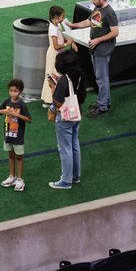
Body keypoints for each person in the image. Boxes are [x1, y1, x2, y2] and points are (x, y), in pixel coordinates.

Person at [46, 61, 84, 190]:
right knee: (75, 145)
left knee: (65, 148)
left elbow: (56, 101)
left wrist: (52, 87)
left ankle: (66, 181)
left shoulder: (63, 79)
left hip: (65, 117)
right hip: (77, 113)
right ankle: (75, 176)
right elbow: (82, 96)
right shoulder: (78, 75)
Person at [82, 0, 118, 115]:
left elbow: (115, 32)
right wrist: (73, 25)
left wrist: (98, 40)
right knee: (101, 78)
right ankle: (104, 102)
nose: (92, 2)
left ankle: (103, 106)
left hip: (102, 50)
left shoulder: (109, 12)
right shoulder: (98, 9)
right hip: (97, 49)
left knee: (102, 79)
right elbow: (90, 21)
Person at [0, 77, 28, 191]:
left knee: (19, 157)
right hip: (8, 134)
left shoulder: (22, 104)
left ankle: (20, 179)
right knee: (10, 155)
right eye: (11, 90)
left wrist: (17, 115)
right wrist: (2, 111)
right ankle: (12, 176)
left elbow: (29, 119)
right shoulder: (7, 102)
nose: (12, 93)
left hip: (18, 136)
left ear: (20, 91)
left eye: (15, 91)